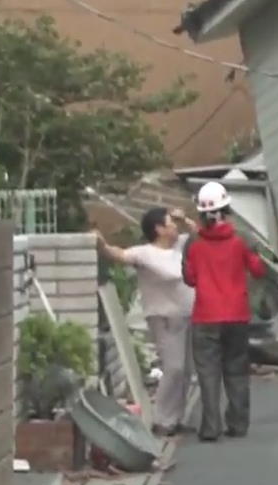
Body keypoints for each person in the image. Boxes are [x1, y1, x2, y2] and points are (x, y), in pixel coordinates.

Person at [95, 207, 197, 437]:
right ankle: (161, 419)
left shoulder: (180, 245)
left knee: (186, 370)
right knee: (174, 367)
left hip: (187, 315)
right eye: (170, 223)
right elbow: (117, 255)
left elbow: (199, 233)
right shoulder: (145, 253)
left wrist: (184, 219)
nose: (174, 226)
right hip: (163, 318)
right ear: (159, 228)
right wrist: (101, 244)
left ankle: (175, 418)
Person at [182, 181, 265, 442]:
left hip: (205, 316)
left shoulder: (193, 241)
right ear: (226, 207)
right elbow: (259, 270)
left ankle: (210, 428)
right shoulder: (243, 237)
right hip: (237, 315)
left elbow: (190, 278)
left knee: (208, 373)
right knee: (237, 370)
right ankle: (238, 424)